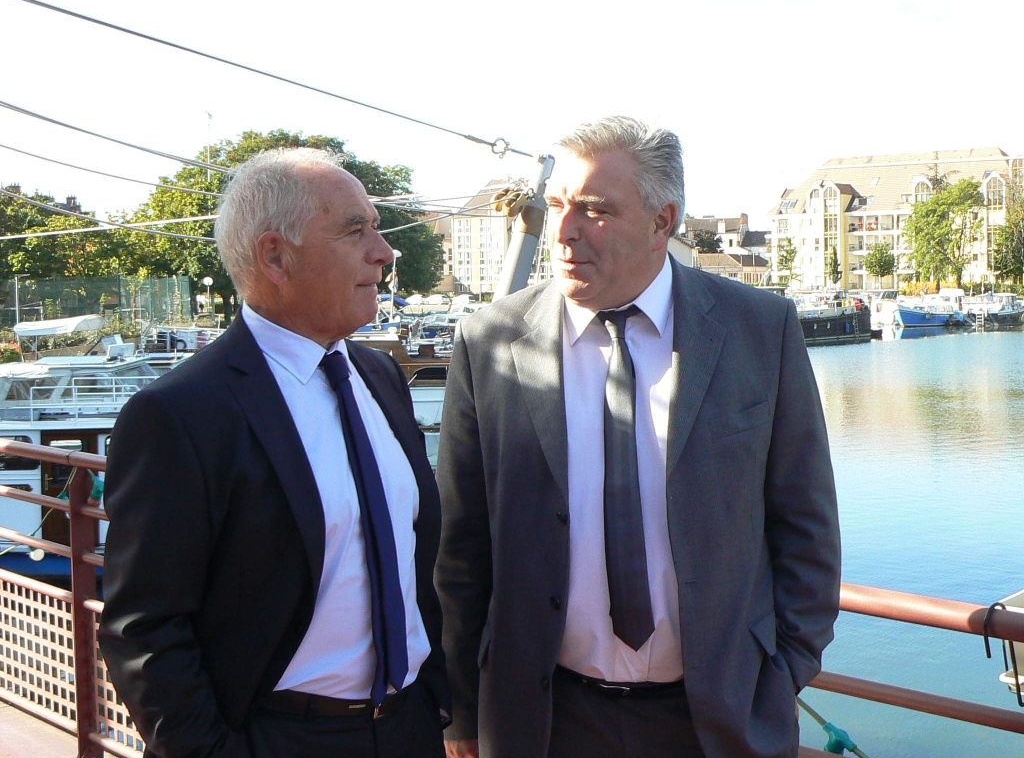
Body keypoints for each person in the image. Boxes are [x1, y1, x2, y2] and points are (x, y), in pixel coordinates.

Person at [435, 116, 841, 758]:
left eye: (594, 210)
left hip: (717, 720)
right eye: (559, 204)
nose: (564, 231)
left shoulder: (758, 330)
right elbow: (460, 549)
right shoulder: (489, 340)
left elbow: (806, 523)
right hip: (544, 721)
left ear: (663, 221)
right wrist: (462, 709)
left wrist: (783, 669)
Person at [99, 148, 450, 758]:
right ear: (274, 256)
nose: (384, 252)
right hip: (279, 737)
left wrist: (435, 699)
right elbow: (145, 629)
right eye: (355, 230)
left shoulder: (380, 378)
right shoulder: (181, 414)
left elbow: (415, 555)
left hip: (407, 728)